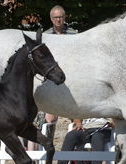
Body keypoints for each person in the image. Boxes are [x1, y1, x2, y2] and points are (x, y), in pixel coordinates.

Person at [43, 5, 78, 138]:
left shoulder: (74, 34)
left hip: (70, 73)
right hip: (51, 76)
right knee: (49, 115)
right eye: (55, 17)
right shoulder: (45, 36)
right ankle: (48, 141)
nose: (58, 19)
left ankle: (73, 142)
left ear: (65, 17)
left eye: (60, 17)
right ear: (51, 19)